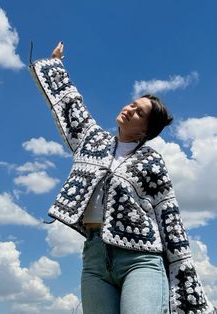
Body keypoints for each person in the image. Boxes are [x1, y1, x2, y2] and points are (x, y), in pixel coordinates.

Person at [29, 41, 216, 314]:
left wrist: (184, 274)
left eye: (139, 112)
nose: (129, 109)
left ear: (145, 131)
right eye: (132, 104)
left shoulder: (151, 161)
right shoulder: (91, 140)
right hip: (94, 258)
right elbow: (71, 108)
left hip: (140, 258)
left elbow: (170, 217)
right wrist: (56, 65)